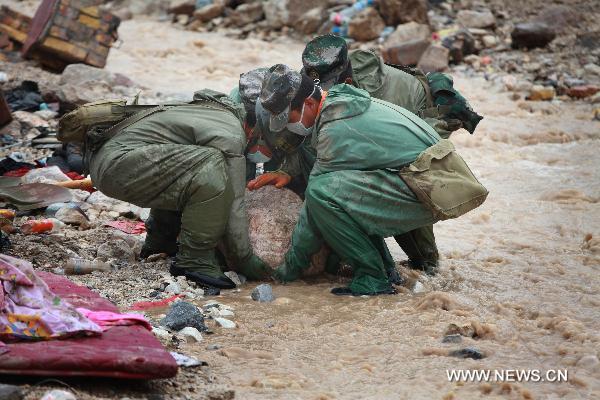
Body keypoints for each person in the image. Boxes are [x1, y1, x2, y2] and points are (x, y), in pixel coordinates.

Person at [248, 35, 483, 275]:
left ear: (346, 80)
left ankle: (420, 266)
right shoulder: (310, 86)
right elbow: (307, 141)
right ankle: (367, 262)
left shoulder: (390, 90)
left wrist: (291, 268)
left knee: (346, 191)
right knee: (332, 189)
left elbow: (416, 151)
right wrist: (288, 171)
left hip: (424, 163)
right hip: (383, 152)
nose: (324, 92)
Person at [87, 90, 270, 290]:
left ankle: (160, 242)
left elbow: (175, 173)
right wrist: (244, 258)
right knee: (211, 166)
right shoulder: (232, 134)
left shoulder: (213, 111)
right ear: (252, 130)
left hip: (107, 161)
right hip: (117, 167)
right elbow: (235, 201)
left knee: (191, 168)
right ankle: (195, 259)